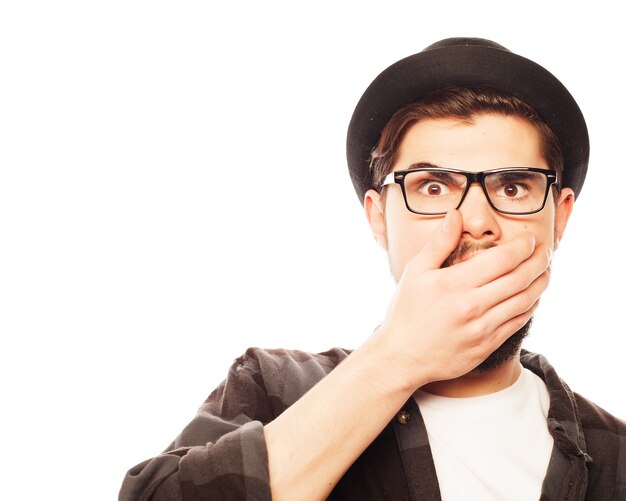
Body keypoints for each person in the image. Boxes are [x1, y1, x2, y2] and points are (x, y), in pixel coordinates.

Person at [119, 38, 626, 501]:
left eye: (512, 187)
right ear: (379, 219)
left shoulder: (617, 456)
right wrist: (396, 358)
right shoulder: (275, 389)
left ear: (560, 218)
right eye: (433, 187)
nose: (475, 220)